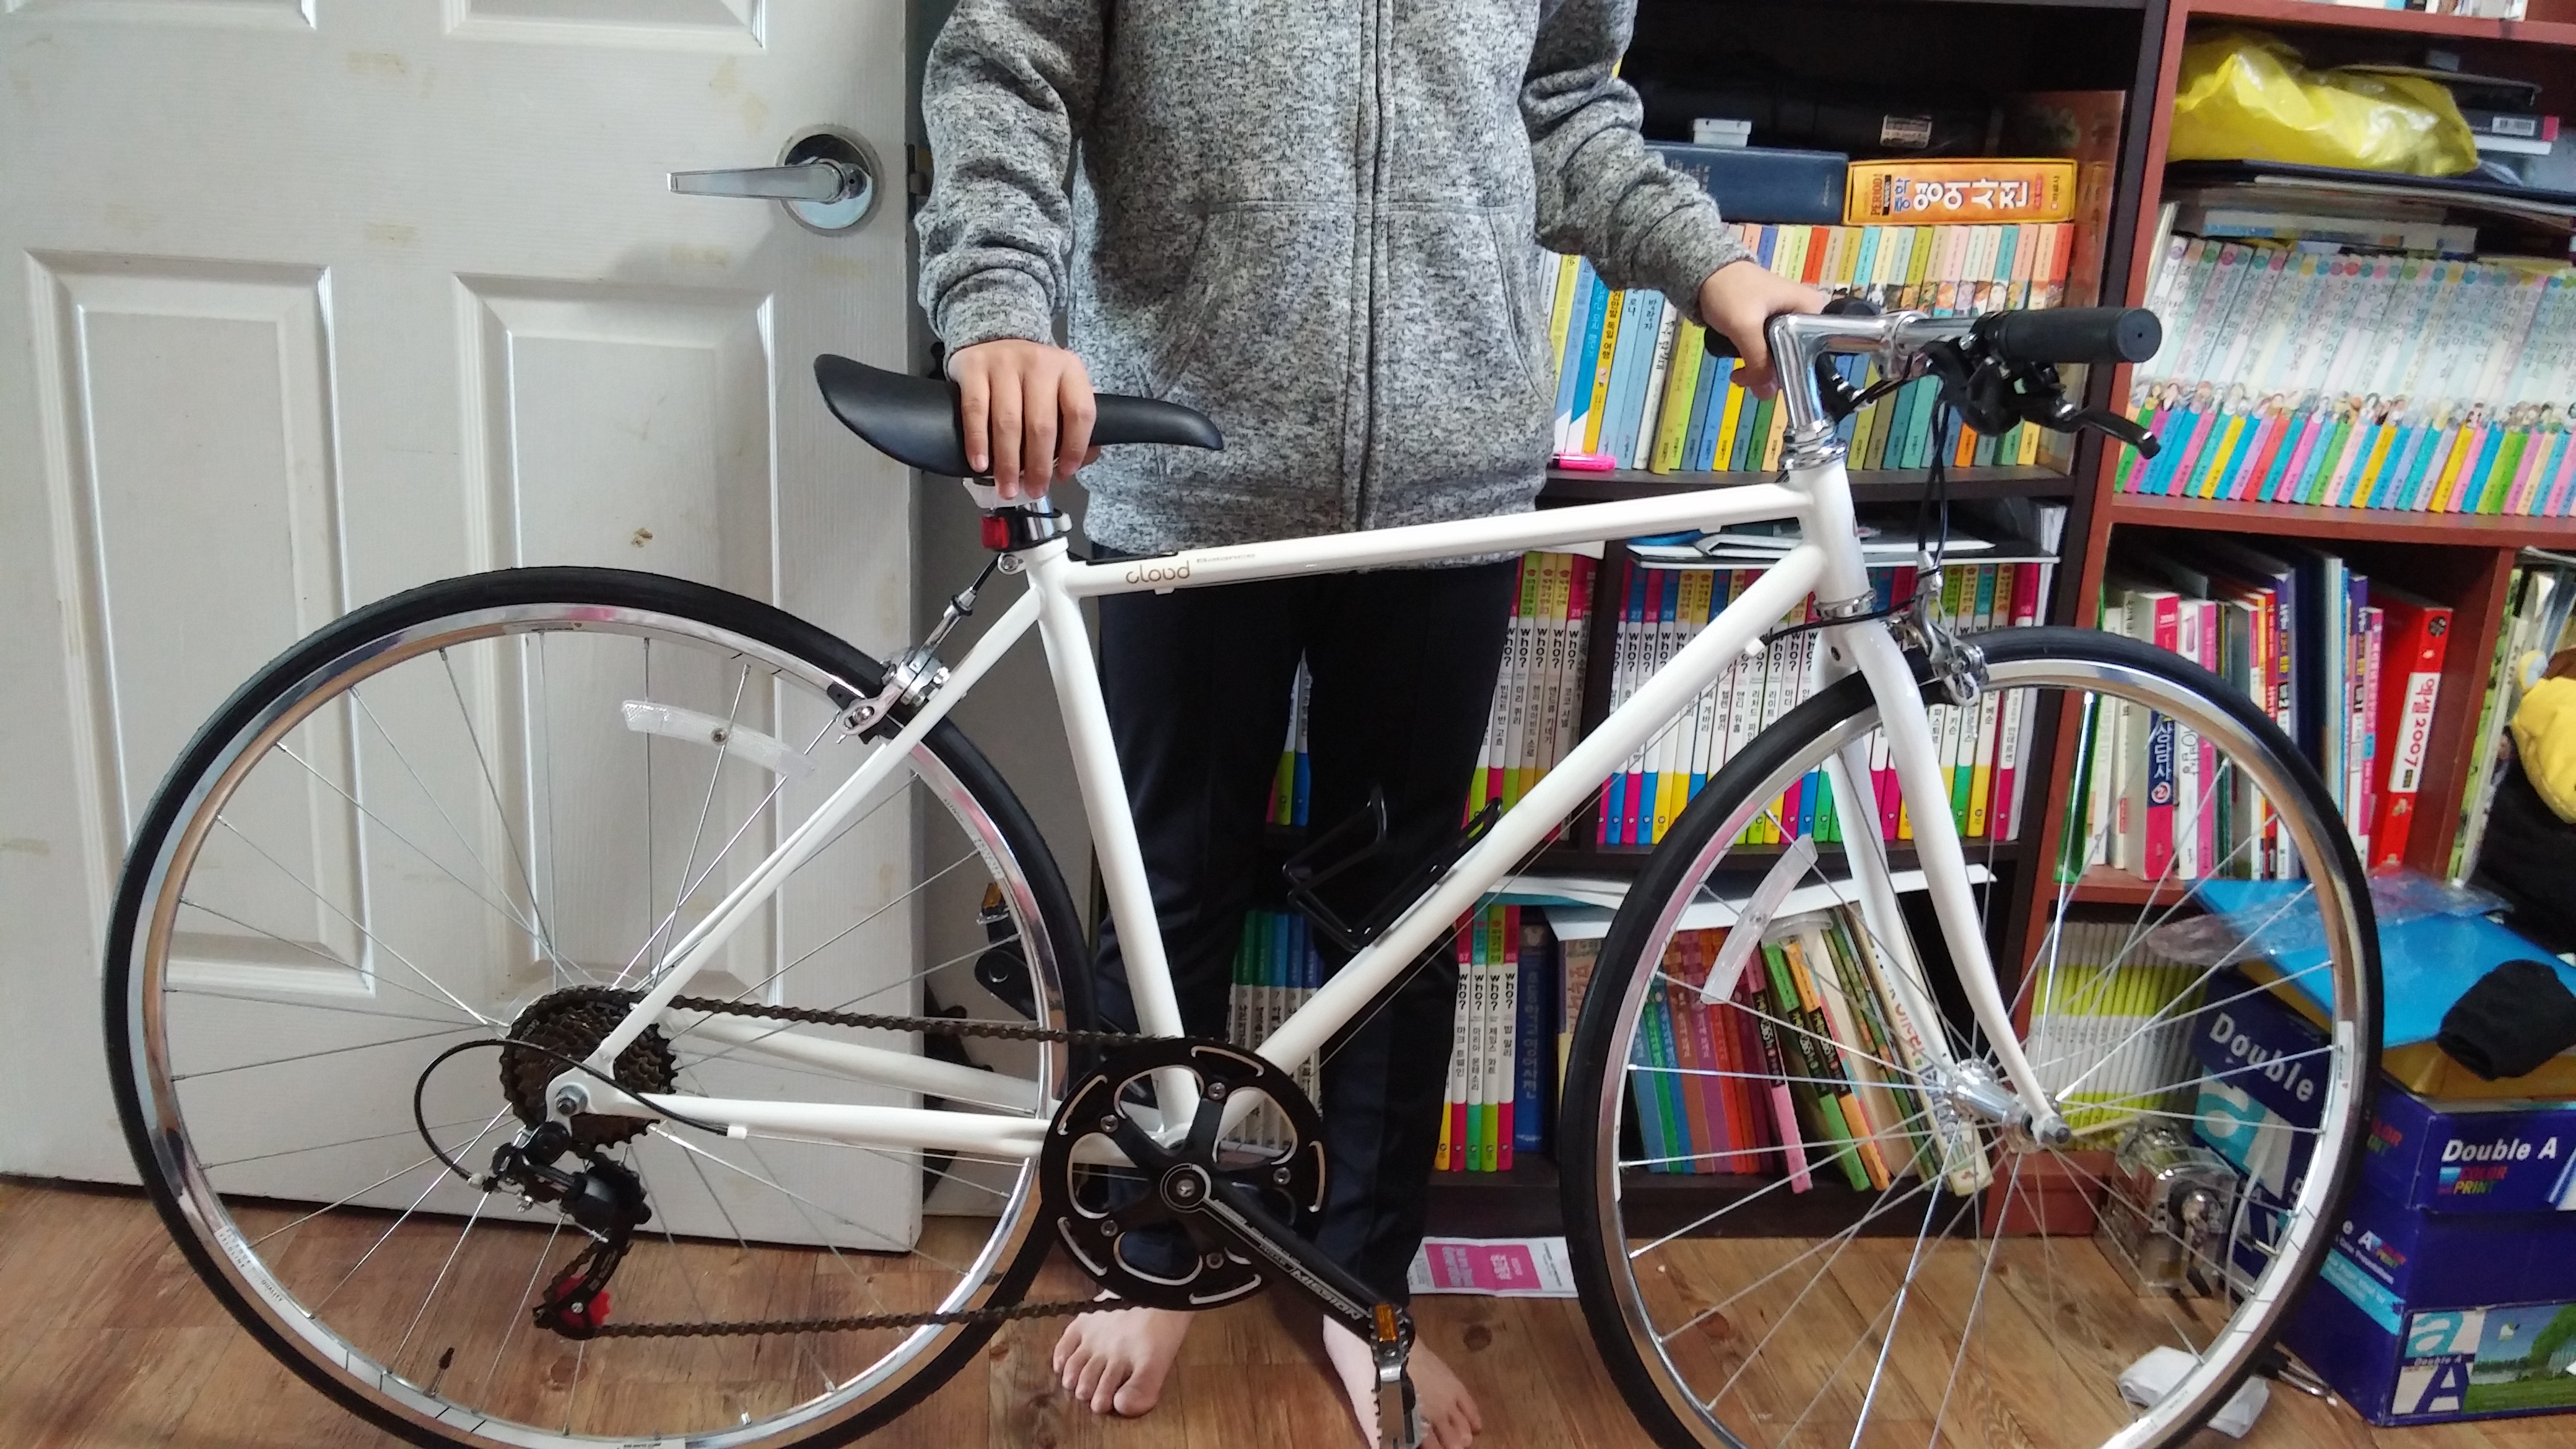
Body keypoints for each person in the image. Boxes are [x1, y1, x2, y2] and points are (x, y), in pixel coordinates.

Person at [915, 4, 1822, 1444]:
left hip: (1447, 486)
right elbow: (1008, 64)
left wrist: (1719, 269)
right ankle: (1154, 1247)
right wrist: (1000, 305)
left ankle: (1361, 1285)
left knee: (1403, 916)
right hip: (1185, 462)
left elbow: (1565, 107)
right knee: (1166, 887)